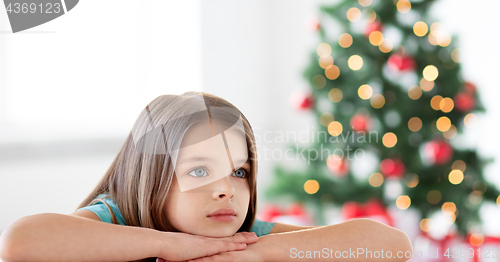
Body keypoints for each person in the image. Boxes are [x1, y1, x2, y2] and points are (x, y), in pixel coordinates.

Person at [0, 92, 413, 262]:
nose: (224, 190)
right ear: (151, 178)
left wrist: (252, 253)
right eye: (199, 170)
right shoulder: (116, 218)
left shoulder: (239, 237)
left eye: (239, 171)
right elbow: (21, 243)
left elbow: (391, 248)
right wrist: (169, 245)